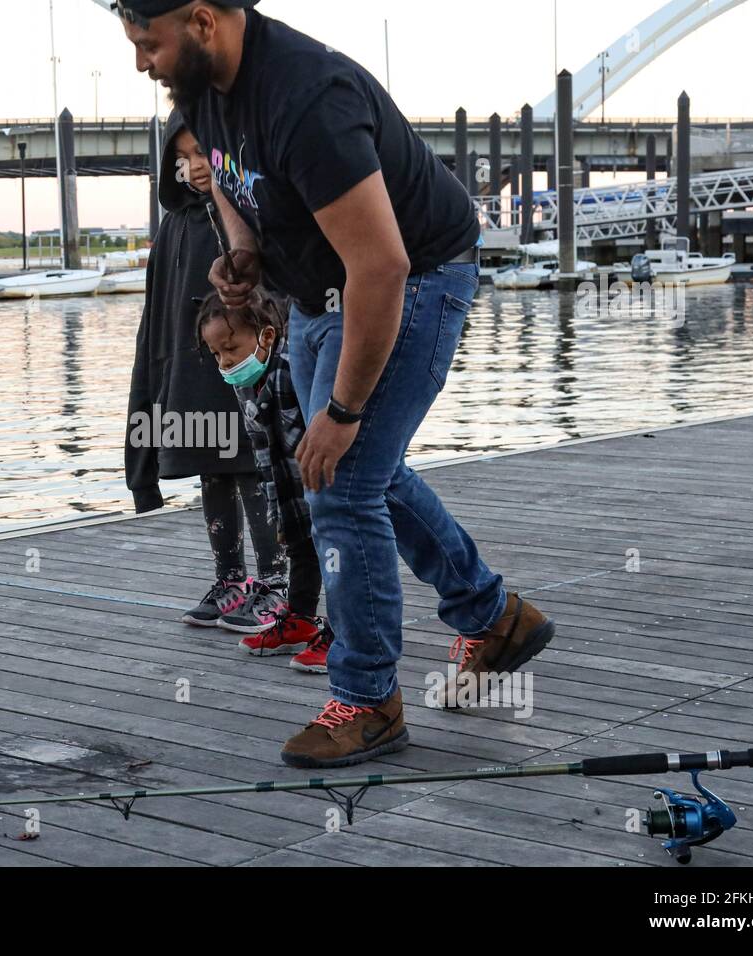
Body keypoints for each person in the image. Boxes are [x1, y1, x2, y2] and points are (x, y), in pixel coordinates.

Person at [115, 0, 556, 769]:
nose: (140, 62)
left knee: (342, 479)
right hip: (318, 288)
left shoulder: (307, 99)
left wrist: (345, 410)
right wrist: (245, 248)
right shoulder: (199, 89)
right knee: (356, 473)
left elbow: (381, 265)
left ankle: (369, 699)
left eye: (147, 44)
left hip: (412, 278)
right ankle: (492, 616)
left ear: (200, 21)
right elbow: (224, 174)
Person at [125, 108, 288, 634]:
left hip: (249, 367)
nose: (195, 166)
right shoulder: (175, 225)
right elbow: (159, 313)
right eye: (184, 155)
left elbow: (279, 289)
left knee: (256, 468)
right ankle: (231, 578)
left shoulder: (247, 215)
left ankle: (276, 581)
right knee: (212, 464)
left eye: (204, 153)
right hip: (195, 370)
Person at [196, 288, 333, 674]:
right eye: (217, 354)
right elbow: (263, 454)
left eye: (230, 349)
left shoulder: (294, 368)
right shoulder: (244, 383)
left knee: (337, 551)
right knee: (301, 547)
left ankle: (344, 634)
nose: (225, 362)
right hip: (289, 487)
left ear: (267, 336)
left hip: (324, 480)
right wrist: (278, 516)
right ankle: (300, 620)